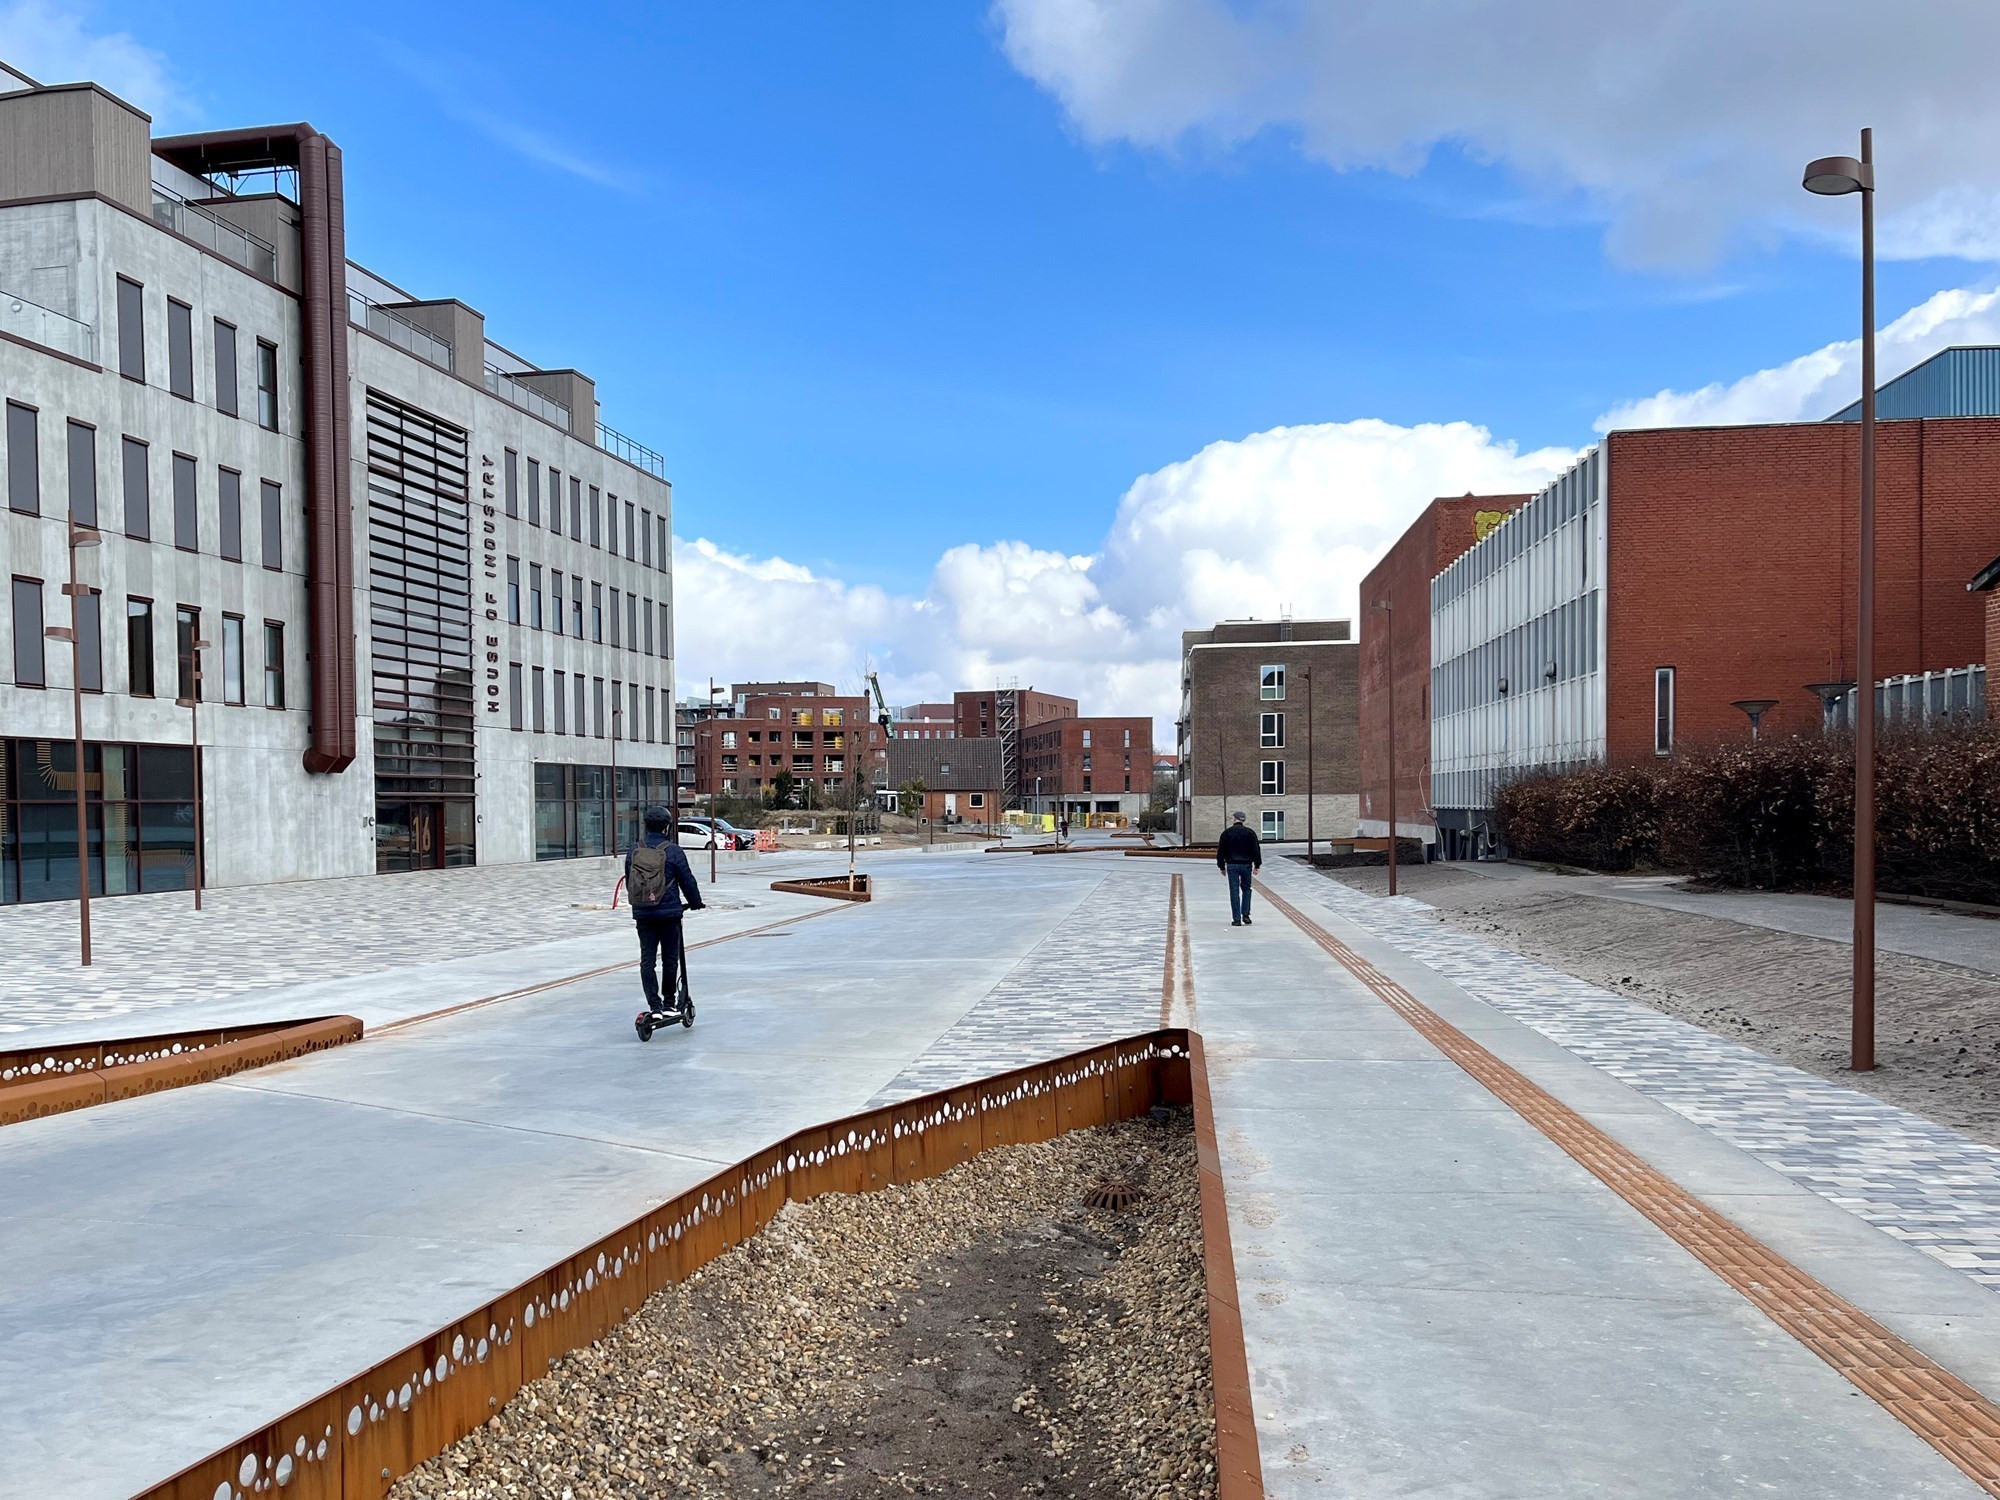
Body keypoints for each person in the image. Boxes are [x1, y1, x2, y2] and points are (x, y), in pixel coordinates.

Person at [626, 804, 705, 1017]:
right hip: (669, 913)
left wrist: (641, 902)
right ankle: (669, 1003)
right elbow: (687, 880)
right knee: (670, 959)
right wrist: (696, 902)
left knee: (647, 960)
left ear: (645, 826)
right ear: (667, 827)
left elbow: (630, 882)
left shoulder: (634, 850)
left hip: (643, 913)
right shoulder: (673, 851)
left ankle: (655, 1006)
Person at [1217, 810, 1262, 926]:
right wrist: (1257, 865)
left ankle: (1236, 919)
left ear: (1234, 819)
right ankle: (1245, 915)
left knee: (1234, 891)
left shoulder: (1226, 833)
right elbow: (1256, 849)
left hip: (1232, 865)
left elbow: (1221, 851)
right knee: (1247, 889)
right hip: (1246, 865)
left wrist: (1221, 866)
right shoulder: (1250, 833)